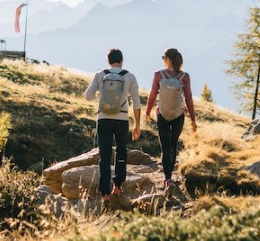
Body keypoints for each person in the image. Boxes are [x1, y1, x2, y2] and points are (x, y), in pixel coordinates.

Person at [84, 48, 141, 198]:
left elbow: (88, 96)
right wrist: (137, 125)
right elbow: (136, 102)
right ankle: (118, 185)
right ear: (122, 61)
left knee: (105, 155)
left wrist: (102, 97)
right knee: (121, 150)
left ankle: (105, 193)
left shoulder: (100, 75)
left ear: (108, 61)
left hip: (103, 119)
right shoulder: (129, 76)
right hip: (121, 120)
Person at [144, 47, 197, 193]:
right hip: (178, 116)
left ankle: (167, 179)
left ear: (167, 59)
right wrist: (193, 119)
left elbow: (153, 95)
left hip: (162, 115)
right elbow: (189, 99)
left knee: (165, 147)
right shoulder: (184, 77)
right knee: (173, 145)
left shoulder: (158, 75)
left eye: (163, 58)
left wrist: (148, 112)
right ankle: (170, 177)